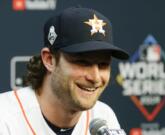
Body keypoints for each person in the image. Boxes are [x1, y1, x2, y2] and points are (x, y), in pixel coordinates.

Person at [0, 7, 129, 135]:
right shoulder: (5, 117)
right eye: (82, 62)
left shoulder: (104, 117)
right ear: (49, 60)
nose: (95, 77)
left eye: (103, 65)